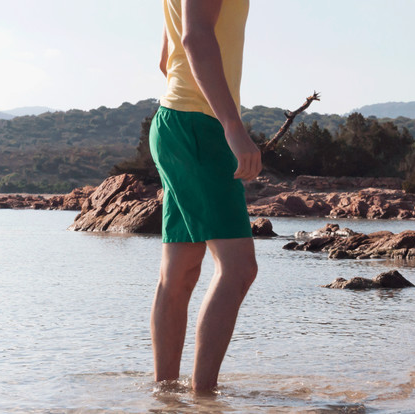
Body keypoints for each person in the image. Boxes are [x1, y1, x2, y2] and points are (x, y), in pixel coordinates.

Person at [149, 0, 260, 392]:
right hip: (200, 124)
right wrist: (231, 125)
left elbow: (167, 59)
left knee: (181, 266)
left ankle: (167, 396)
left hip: (176, 120)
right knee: (238, 267)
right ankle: (203, 397)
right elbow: (194, 37)